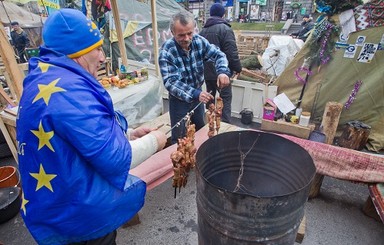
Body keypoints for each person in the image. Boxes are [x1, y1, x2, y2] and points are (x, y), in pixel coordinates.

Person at [16, 8, 167, 245]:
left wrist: (127, 134)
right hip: (78, 219)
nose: (102, 57)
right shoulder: (70, 92)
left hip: (54, 206)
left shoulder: (44, 78)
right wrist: (154, 141)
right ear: (77, 52)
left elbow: (76, 136)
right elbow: (117, 159)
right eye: (96, 49)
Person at [158, 11, 230, 144]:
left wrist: (222, 71)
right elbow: (171, 82)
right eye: (181, 35)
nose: (186, 38)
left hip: (197, 96)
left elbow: (219, 55)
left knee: (200, 130)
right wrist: (196, 94)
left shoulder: (199, 42)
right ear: (172, 33)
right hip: (179, 100)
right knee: (180, 139)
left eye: (189, 33)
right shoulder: (167, 51)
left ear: (194, 29)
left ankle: (199, 159)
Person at [200, 3, 242, 124]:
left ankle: (210, 125)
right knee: (225, 101)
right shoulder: (225, 29)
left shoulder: (203, 31)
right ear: (223, 14)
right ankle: (224, 127)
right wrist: (237, 68)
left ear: (211, 14)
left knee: (210, 99)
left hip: (207, 73)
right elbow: (231, 52)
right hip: (222, 74)